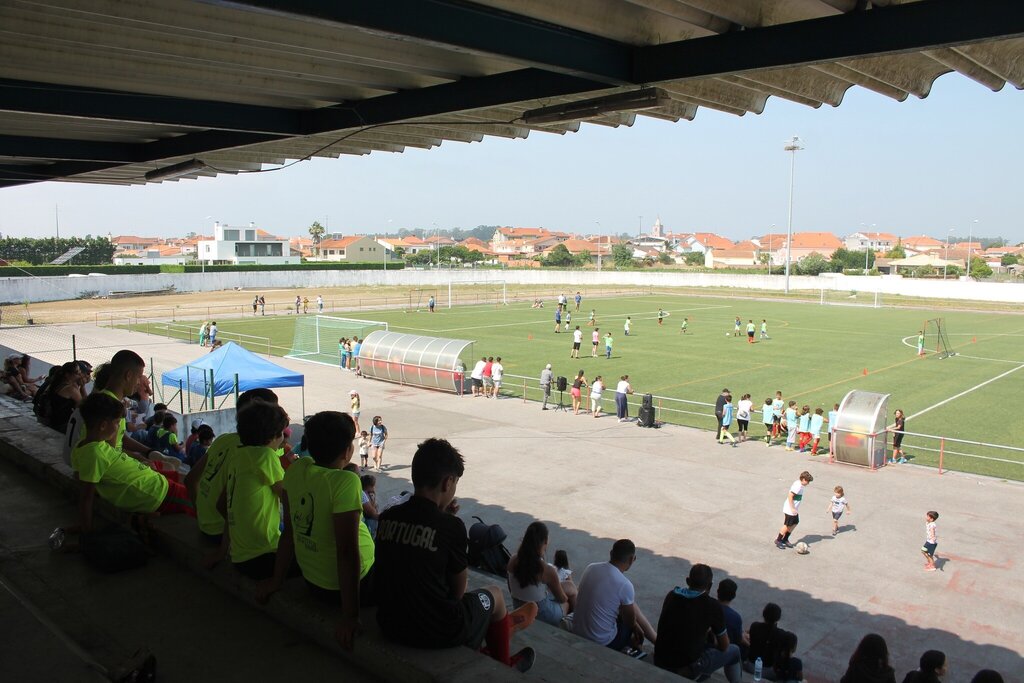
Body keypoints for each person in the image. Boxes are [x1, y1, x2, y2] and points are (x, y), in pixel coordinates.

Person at [374, 438, 537, 672]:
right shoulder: (452, 527)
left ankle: (495, 631)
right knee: (495, 594)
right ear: (448, 482)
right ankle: (505, 665)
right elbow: (458, 592)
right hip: (438, 630)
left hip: (390, 623)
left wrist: (441, 514)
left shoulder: (389, 517)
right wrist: (447, 520)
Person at [259, 411, 374, 650]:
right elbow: (346, 551)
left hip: (314, 582)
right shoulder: (345, 481)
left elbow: (290, 532)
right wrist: (350, 616)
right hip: (356, 584)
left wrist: (276, 580)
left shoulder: (297, 469)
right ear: (347, 451)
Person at [71, 392, 195, 533]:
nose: (118, 428)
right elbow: (86, 496)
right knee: (196, 501)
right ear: (103, 425)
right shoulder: (94, 454)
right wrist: (86, 533)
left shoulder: (88, 446)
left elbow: (81, 476)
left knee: (188, 483)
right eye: (117, 423)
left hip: (154, 484)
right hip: (157, 494)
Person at [186, 388, 280, 545]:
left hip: (207, 527)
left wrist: (203, 518)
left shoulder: (223, 439)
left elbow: (190, 480)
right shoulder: (257, 453)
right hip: (227, 535)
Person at [209, 400, 289, 580]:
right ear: (273, 436)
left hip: (240, 557)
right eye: (282, 433)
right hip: (264, 554)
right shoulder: (265, 456)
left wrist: (223, 551)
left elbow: (223, 505)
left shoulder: (238, 456)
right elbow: (289, 499)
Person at [654, 563, 741, 682]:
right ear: (710, 586)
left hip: (660, 660)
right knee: (734, 650)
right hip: (685, 668)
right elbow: (724, 646)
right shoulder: (712, 606)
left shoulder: (671, 595)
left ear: (687, 581)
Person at [573, 539, 656, 652]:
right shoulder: (624, 584)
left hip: (577, 631)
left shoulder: (591, 567)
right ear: (632, 559)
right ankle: (644, 644)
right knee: (630, 611)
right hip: (602, 642)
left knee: (625, 603)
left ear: (611, 553)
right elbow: (629, 622)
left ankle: (652, 640)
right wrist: (636, 626)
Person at [507, 521, 575, 626]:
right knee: (567, 602)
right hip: (540, 613)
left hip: (519, 606)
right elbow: (562, 599)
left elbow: (512, 587)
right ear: (546, 541)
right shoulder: (546, 569)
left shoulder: (513, 559)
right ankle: (573, 624)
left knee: (569, 586)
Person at [775, 471, 813, 550]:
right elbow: (790, 496)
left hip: (794, 509)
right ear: (803, 479)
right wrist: (792, 508)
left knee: (795, 522)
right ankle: (778, 540)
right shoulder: (798, 486)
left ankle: (785, 539)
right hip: (790, 509)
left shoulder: (800, 484)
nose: (808, 483)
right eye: (807, 481)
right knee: (787, 525)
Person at [716, 579, 749, 662]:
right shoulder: (735, 617)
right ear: (733, 596)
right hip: (726, 650)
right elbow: (739, 640)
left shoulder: (709, 606)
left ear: (718, 591)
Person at [746, 603, 783, 675]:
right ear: (778, 618)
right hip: (768, 669)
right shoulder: (780, 634)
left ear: (764, 614)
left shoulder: (755, 626)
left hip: (751, 665)